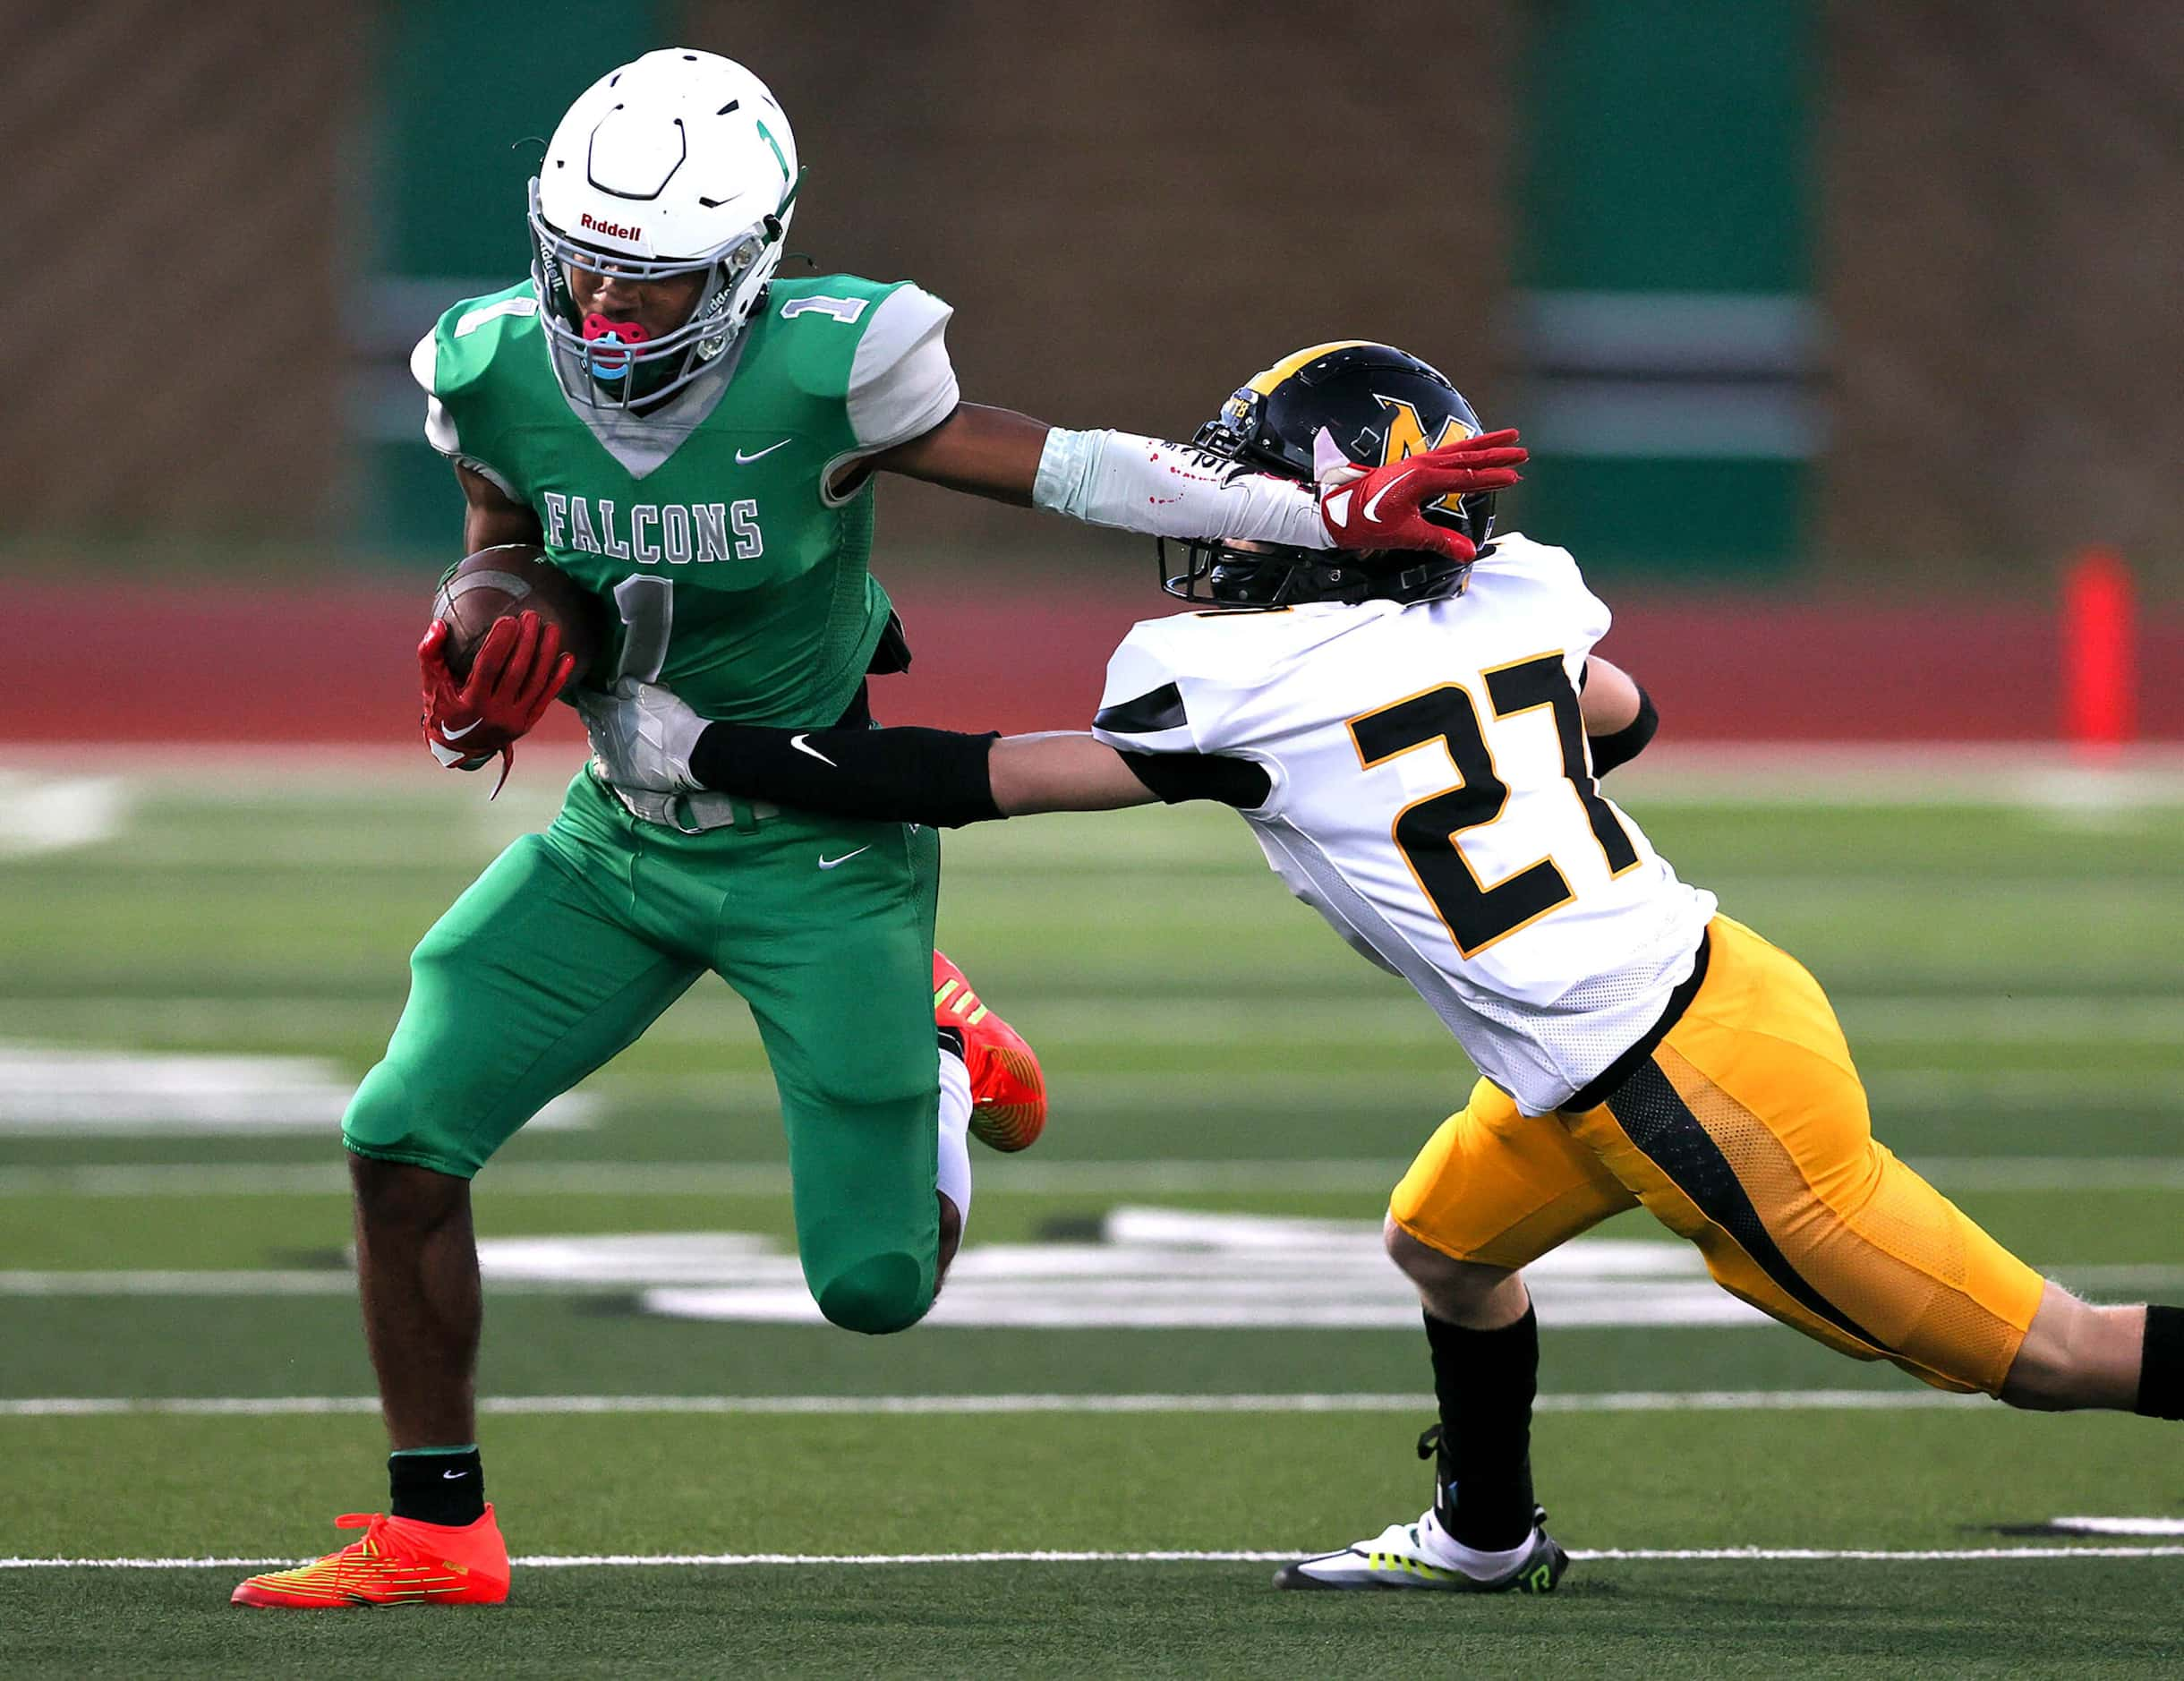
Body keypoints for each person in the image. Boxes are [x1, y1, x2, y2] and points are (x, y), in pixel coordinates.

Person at [580, 338, 2184, 1596]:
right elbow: (1624, 716)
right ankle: (1486, 1533)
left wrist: (708, 745)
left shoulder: (1249, 689)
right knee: (1444, 1245)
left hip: (1694, 1090)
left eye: (1260, 491)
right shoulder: (1517, 595)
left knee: (2055, 1354)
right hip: (1673, 1006)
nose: (1227, 522)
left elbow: (973, 777)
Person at [231, 52, 1491, 1611]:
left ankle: (948, 1054)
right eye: (588, 275)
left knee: (876, 1288)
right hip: (619, 836)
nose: (608, 322)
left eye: (655, 286)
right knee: (397, 1139)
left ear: (751, 269)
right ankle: (438, 1533)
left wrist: (1312, 515)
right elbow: (506, 546)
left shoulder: (836, 366)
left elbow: (1072, 470)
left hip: (816, 845)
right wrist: (486, 625)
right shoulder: (488, 362)